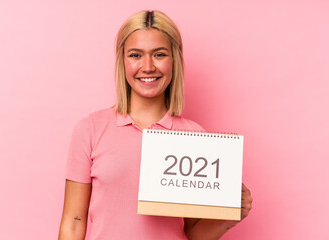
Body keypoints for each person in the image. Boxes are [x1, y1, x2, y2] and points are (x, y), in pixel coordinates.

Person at [58, 10, 252, 240]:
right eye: (135, 55)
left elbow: (192, 234)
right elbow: (73, 222)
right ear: (122, 61)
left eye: (159, 54)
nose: (148, 66)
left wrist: (229, 216)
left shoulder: (194, 137)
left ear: (174, 60)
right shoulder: (90, 129)